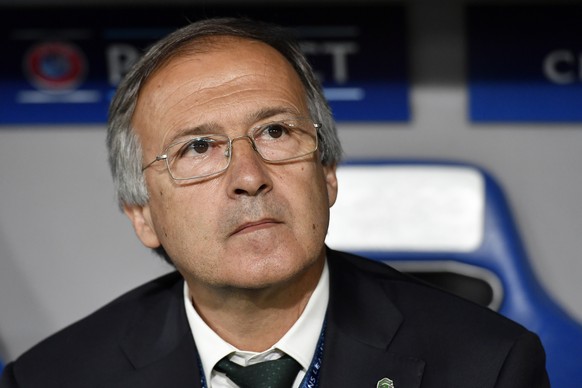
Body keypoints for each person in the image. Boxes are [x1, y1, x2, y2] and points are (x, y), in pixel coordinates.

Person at [0, 17, 549, 388]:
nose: (249, 176)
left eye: (276, 133)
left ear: (327, 174)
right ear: (142, 214)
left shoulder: (487, 365)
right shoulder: (52, 377)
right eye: (198, 147)